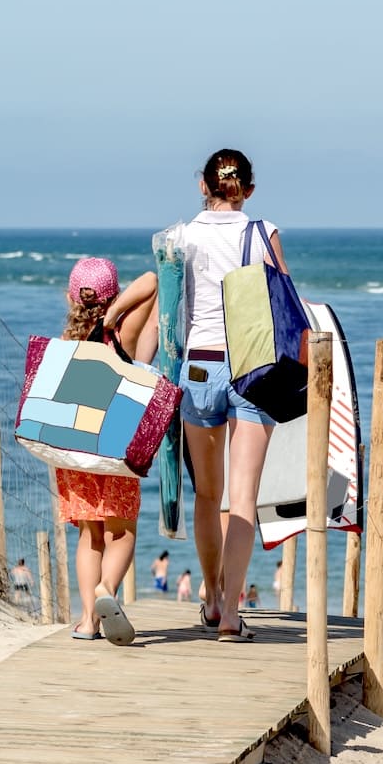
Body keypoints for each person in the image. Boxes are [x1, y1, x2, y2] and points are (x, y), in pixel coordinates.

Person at [161, 150, 283, 644]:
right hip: (252, 361)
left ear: (203, 186)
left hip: (199, 364)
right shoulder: (262, 232)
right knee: (244, 498)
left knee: (208, 495)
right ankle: (232, 615)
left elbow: (169, 310)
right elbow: (283, 302)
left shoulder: (178, 237)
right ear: (247, 190)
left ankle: (210, 597)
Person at [56, 258, 154, 646]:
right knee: (122, 531)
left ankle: (85, 621)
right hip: (114, 446)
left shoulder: (66, 342)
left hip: (74, 450)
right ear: (113, 295)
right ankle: (108, 590)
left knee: (89, 534)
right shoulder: (121, 333)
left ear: (70, 296)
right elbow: (151, 280)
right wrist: (114, 313)